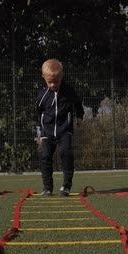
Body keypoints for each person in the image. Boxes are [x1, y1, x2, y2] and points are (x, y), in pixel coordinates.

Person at [35, 59, 84, 197]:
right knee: (45, 157)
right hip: (47, 132)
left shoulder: (69, 91)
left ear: (61, 77)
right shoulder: (42, 95)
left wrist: (79, 116)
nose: (53, 85)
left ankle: (66, 186)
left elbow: (78, 104)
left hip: (65, 130)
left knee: (66, 153)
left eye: (56, 82)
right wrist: (38, 133)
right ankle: (47, 187)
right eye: (49, 82)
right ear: (44, 78)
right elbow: (38, 114)